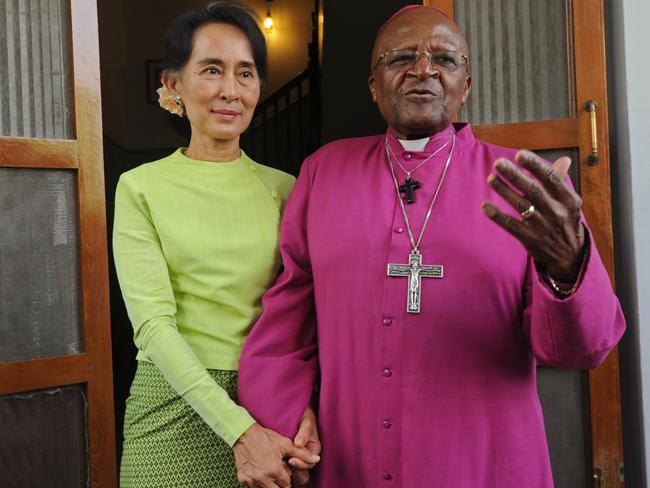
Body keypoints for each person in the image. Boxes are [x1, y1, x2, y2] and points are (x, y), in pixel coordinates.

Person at [237, 5, 626, 487]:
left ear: (466, 86)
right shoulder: (324, 173)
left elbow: (581, 351)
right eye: (401, 58)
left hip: (486, 464)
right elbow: (285, 325)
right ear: (374, 86)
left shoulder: (523, 185)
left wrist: (567, 268)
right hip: (351, 459)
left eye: (444, 58)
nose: (423, 69)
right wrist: (286, 422)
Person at [112, 2, 319, 487]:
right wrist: (240, 431)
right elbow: (153, 328)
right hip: (172, 410)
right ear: (173, 85)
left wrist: (305, 404)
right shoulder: (139, 187)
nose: (230, 90)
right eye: (211, 70)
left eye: (245, 73)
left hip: (270, 406)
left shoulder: (287, 189)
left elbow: (305, 314)